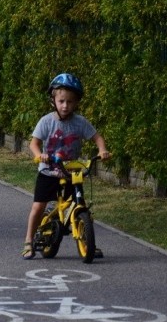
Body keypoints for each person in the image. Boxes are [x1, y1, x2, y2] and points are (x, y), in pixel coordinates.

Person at [22, 73, 110, 259]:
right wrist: (40, 155)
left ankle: (88, 242)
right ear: (53, 99)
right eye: (61, 101)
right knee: (38, 206)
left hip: (72, 172)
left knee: (81, 205)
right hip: (48, 172)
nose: (65, 105)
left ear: (76, 102)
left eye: (70, 102)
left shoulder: (80, 123)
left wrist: (102, 150)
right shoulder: (47, 121)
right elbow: (34, 143)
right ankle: (29, 241)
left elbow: (97, 137)